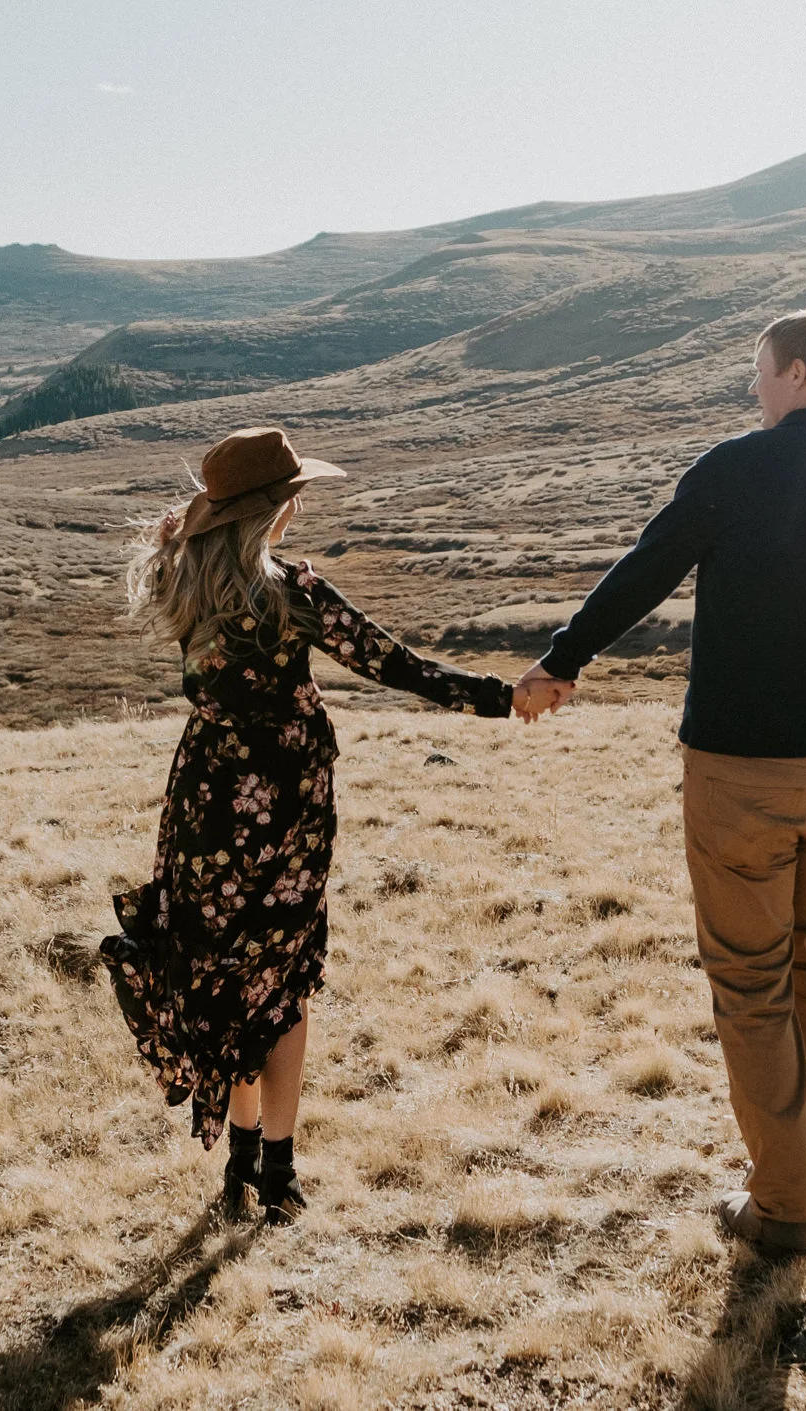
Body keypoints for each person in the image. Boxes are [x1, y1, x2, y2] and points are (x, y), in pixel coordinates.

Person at [515, 307, 806, 1260]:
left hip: (739, 773)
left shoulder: (736, 469)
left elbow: (646, 570)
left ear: (796, 371)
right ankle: (785, 1160)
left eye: (760, 372)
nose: (754, 390)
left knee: (751, 985)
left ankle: (785, 1204)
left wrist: (562, 659)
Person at [106, 426, 521, 1223]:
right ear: (279, 508)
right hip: (288, 812)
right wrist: (503, 698)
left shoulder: (180, 577)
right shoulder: (293, 592)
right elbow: (399, 666)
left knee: (223, 977)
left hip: (205, 803)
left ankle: (237, 1162)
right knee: (285, 982)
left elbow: (181, 544)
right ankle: (277, 1173)